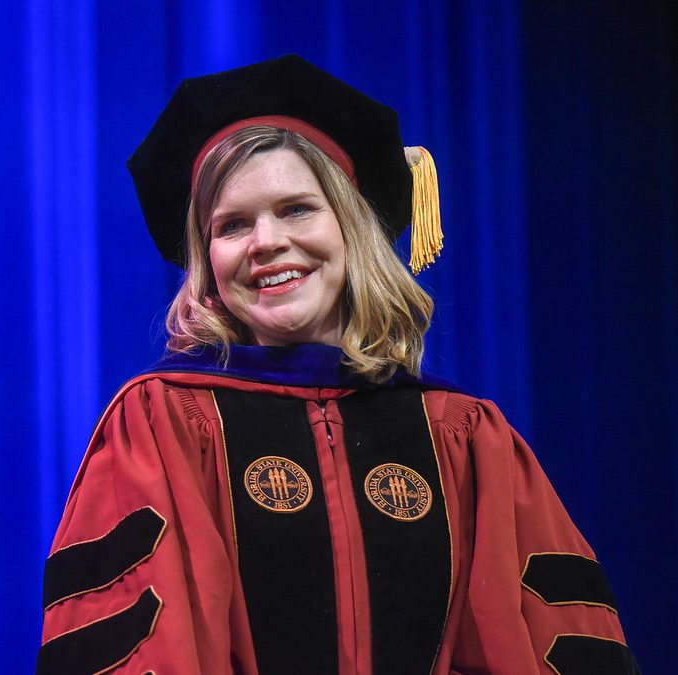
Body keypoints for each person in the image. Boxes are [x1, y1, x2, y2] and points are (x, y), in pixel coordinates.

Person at [36, 56, 637, 674]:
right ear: (207, 259)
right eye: (232, 224)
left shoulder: (463, 437)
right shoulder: (165, 424)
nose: (265, 242)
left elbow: (540, 642)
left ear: (352, 229)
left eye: (296, 208)